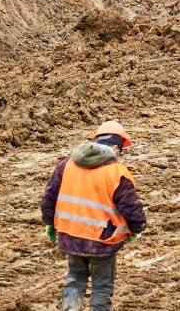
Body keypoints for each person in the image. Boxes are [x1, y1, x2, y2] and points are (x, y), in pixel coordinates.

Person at [41, 121, 148, 311]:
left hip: (70, 236)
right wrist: (137, 228)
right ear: (116, 147)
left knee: (75, 277)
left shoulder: (67, 164)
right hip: (102, 240)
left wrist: (49, 223)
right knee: (102, 285)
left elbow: (49, 197)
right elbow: (130, 207)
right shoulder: (116, 172)